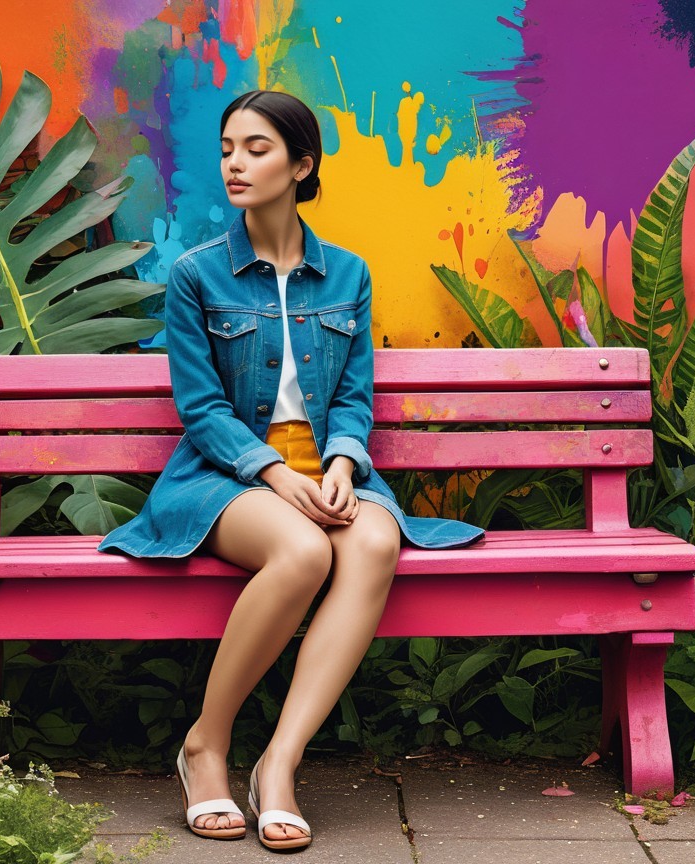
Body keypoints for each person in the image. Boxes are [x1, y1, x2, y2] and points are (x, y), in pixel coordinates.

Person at [98, 89, 483, 851]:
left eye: (258, 148)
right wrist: (275, 471)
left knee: (373, 542)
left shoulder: (348, 276)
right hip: (226, 478)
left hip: (327, 471)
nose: (236, 164)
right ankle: (206, 745)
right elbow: (202, 409)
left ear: (302, 164)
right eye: (228, 148)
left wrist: (343, 461)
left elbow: (353, 395)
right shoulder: (197, 275)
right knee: (304, 550)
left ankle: (280, 762)